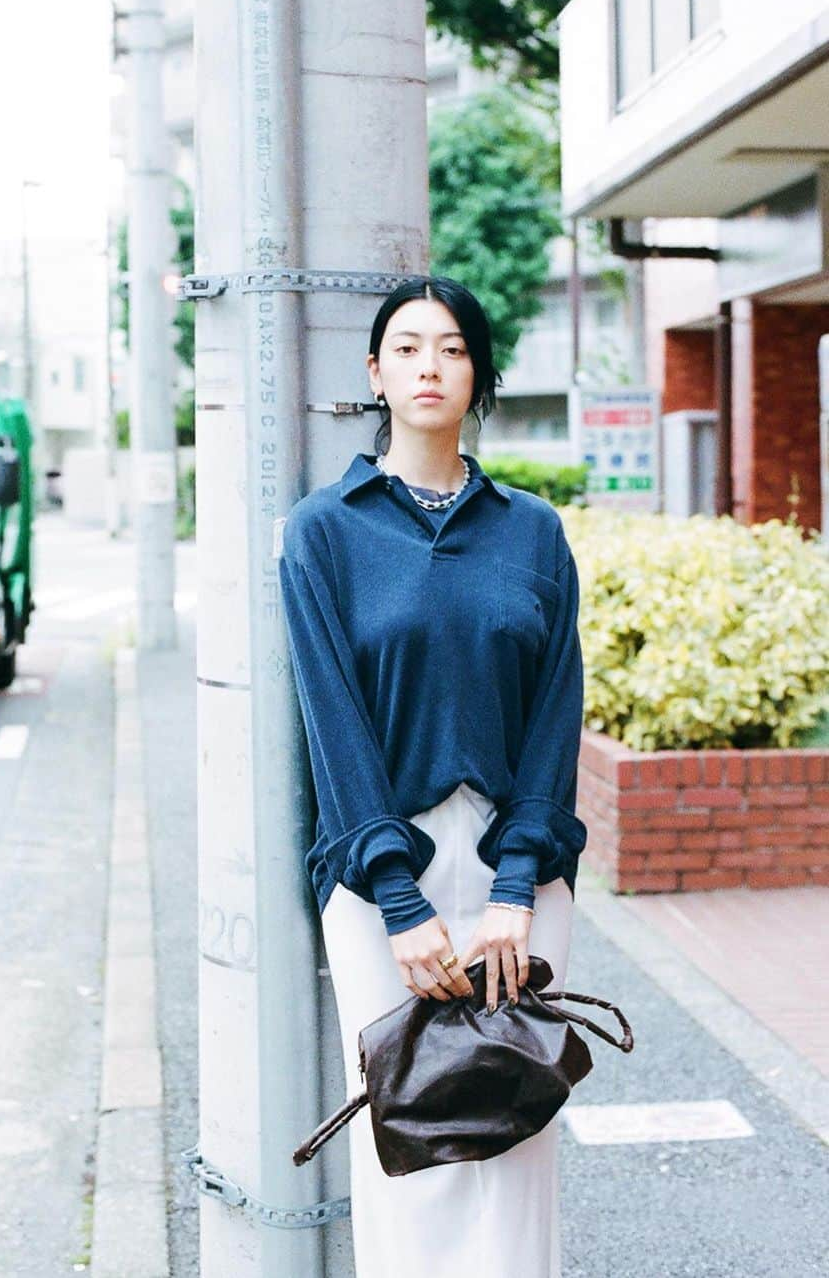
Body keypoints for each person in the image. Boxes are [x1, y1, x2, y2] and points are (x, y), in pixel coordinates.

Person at [277, 276, 588, 1278]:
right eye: (407, 348)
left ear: (478, 375)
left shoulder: (531, 529)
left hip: (519, 866)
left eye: (452, 348)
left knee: (513, 1130)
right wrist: (403, 902)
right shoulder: (324, 532)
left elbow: (555, 715)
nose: (429, 366)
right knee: (411, 1143)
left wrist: (515, 889)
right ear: (375, 373)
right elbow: (334, 728)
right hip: (381, 876)